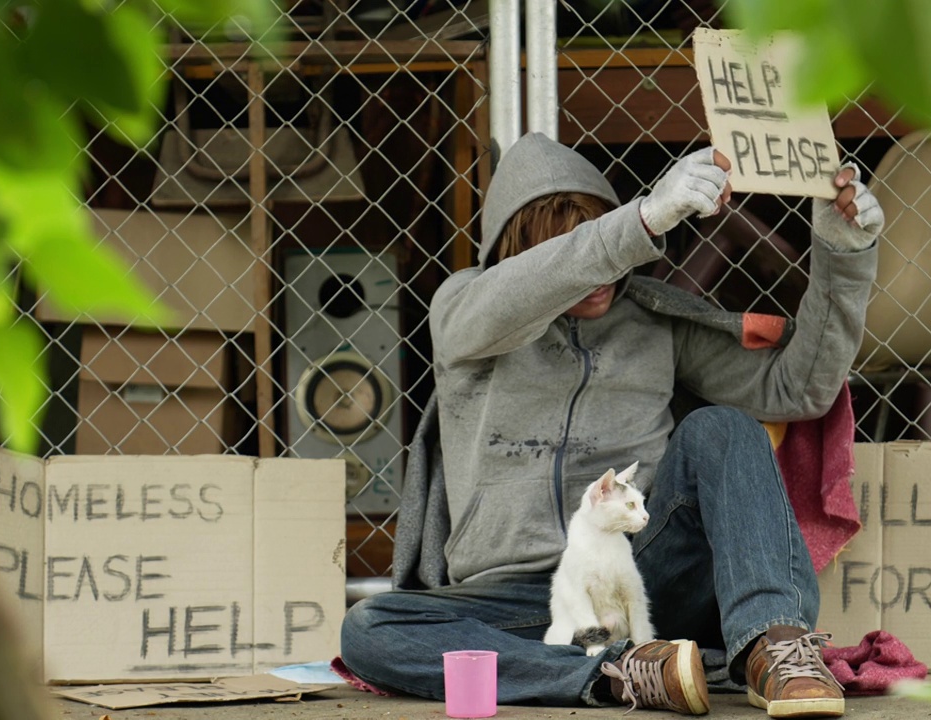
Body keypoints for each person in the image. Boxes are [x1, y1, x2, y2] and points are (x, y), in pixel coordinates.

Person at [340, 133, 882, 718]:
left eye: (599, 239)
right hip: (519, 600)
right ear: (521, 257)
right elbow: (507, 298)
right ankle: (621, 673)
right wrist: (641, 221)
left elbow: (798, 390)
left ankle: (775, 647)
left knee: (722, 428)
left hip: (640, 577)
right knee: (372, 626)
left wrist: (842, 257)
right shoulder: (465, 308)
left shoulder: (655, 320)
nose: (601, 274)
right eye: (570, 250)